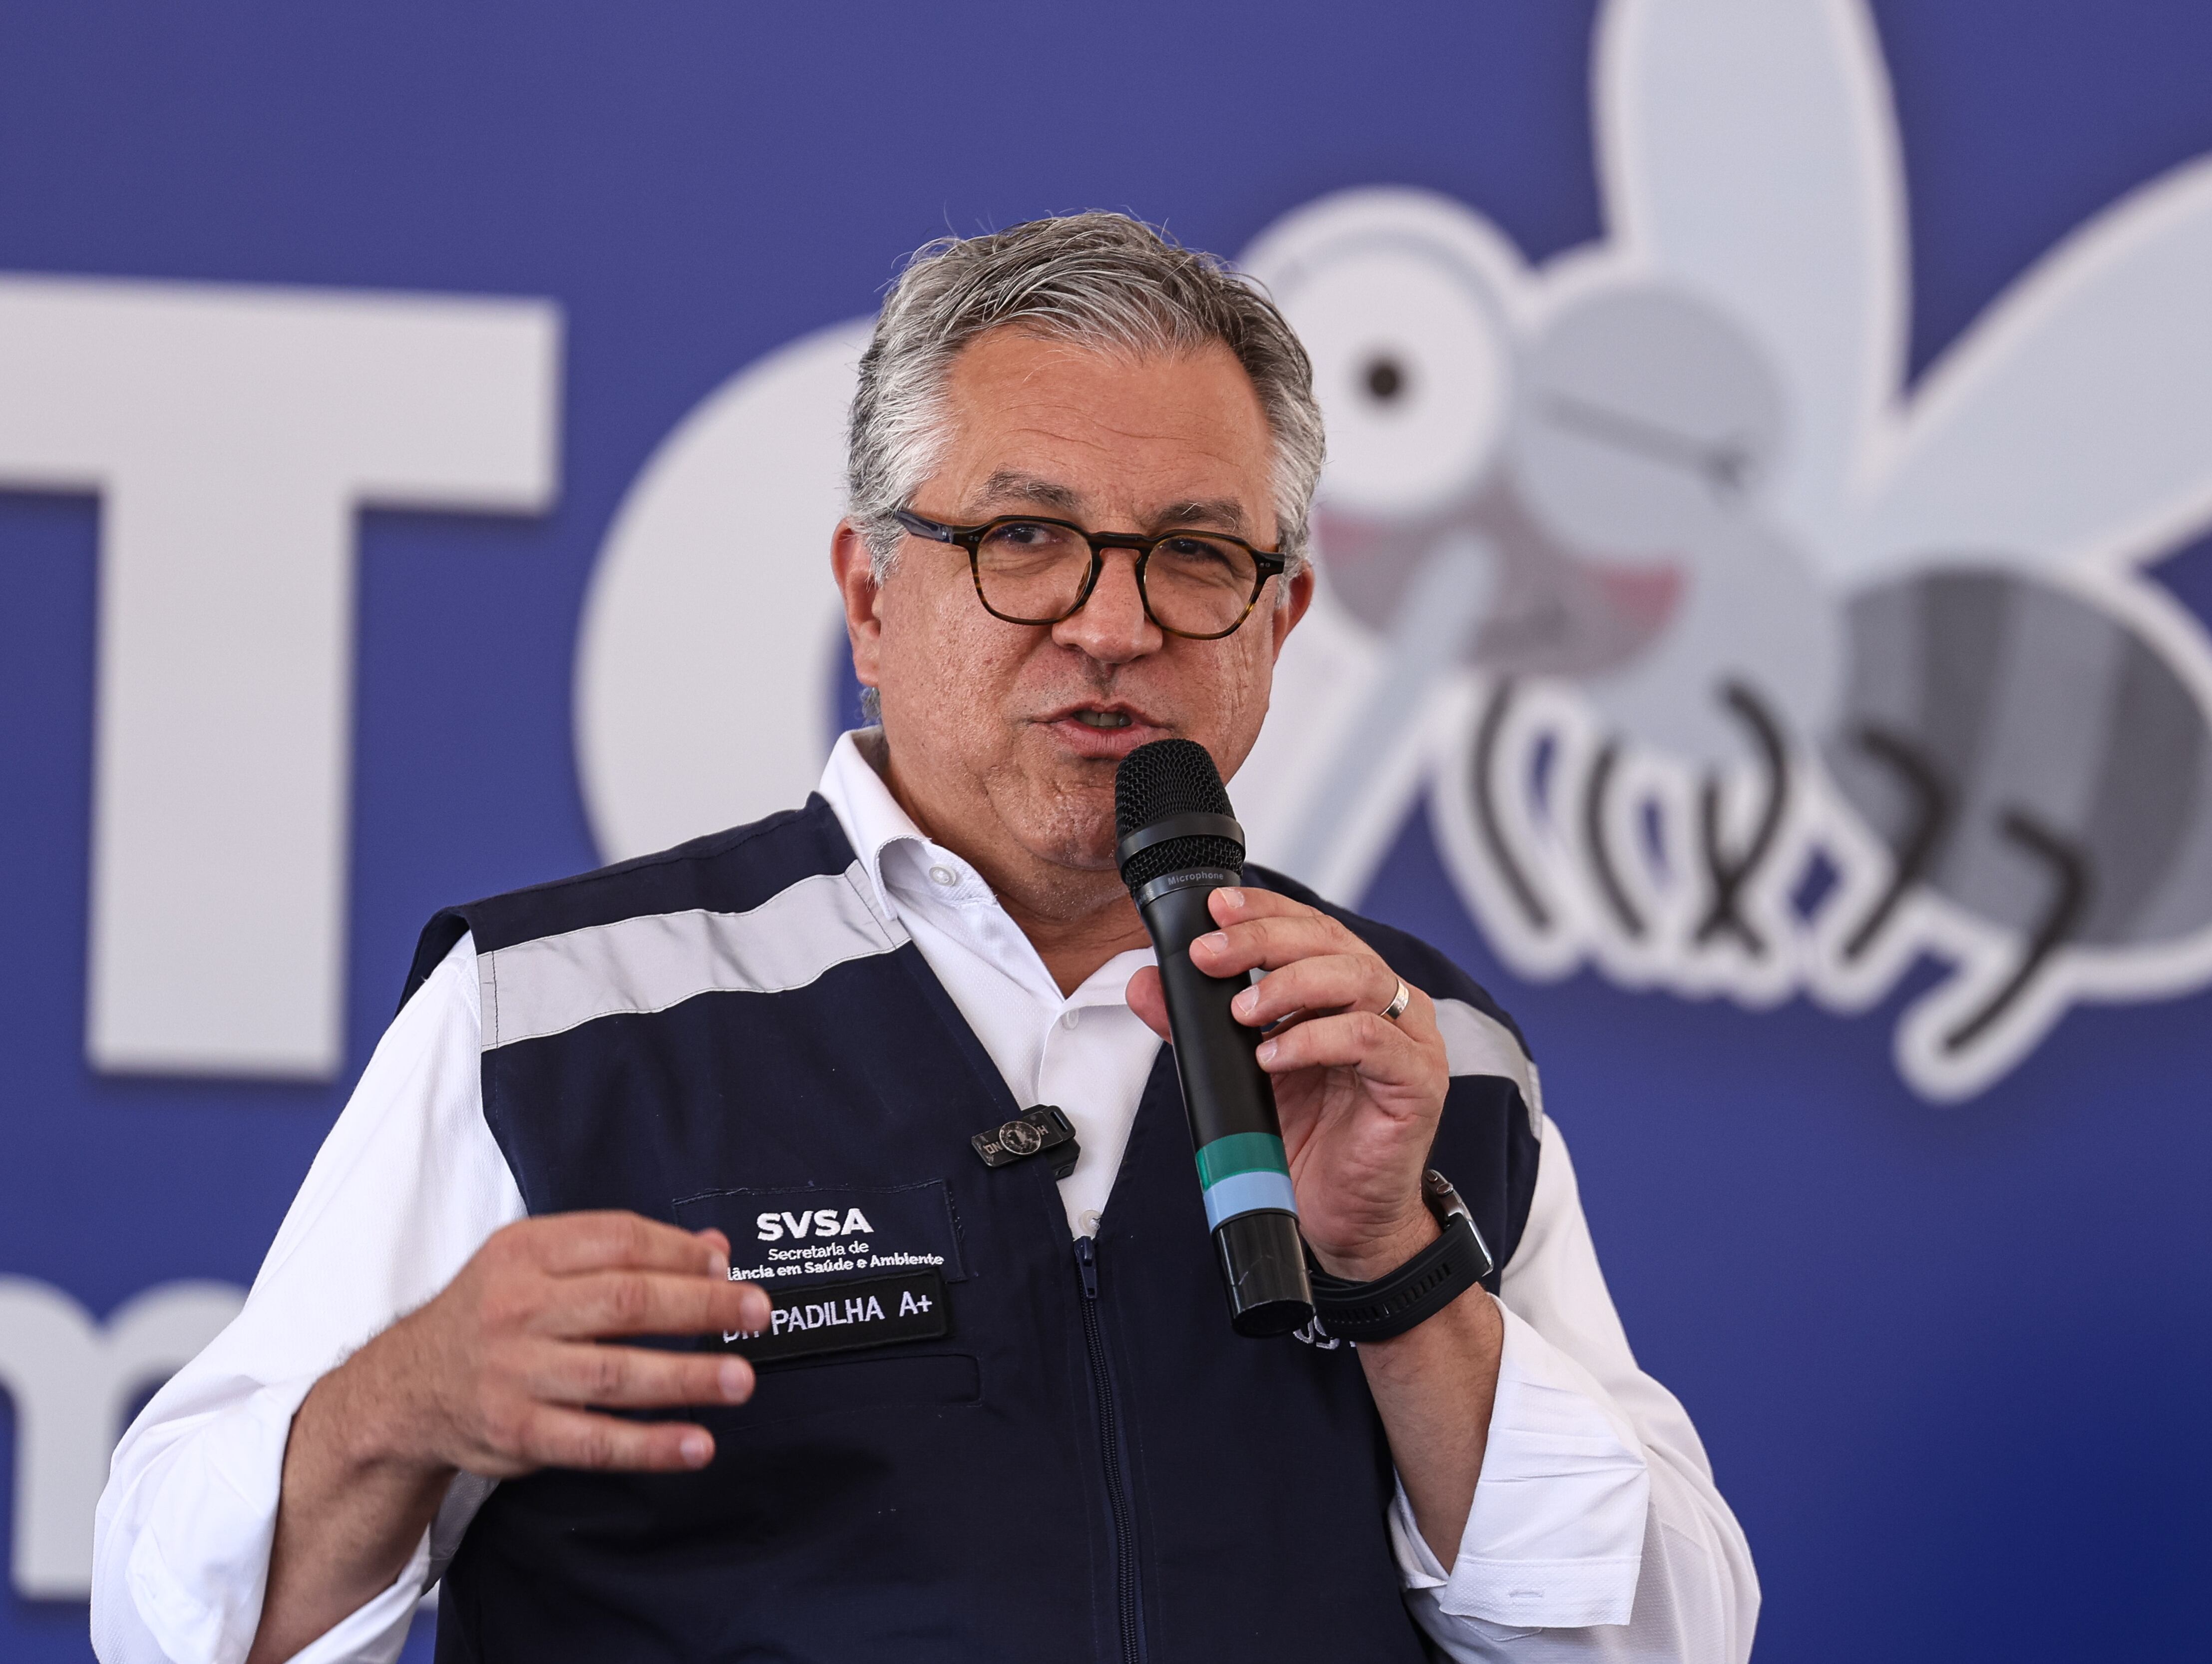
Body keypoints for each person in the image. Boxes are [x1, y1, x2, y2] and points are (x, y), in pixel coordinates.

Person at [92, 212, 1757, 1664]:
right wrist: (411, 1401)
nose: (1112, 625)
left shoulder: (1424, 1049)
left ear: (1280, 621)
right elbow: (172, 1623)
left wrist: (1402, 1276)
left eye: (1193, 556)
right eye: (1024, 539)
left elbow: (1663, 1639)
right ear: (872, 598)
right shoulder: (557, 1021)